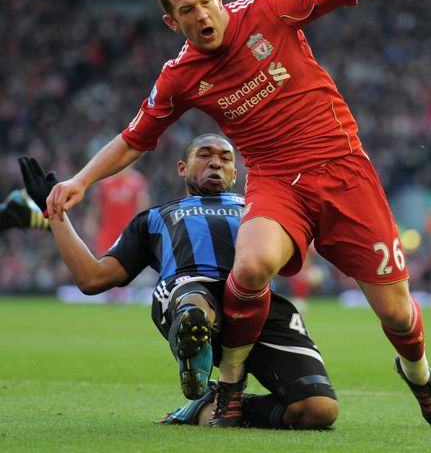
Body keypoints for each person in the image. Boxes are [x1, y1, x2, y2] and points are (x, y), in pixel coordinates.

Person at [46, 0, 431, 428]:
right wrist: (81, 180)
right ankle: (230, 384)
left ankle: (419, 375)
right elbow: (133, 138)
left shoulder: (269, 8)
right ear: (172, 22)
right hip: (277, 181)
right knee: (251, 267)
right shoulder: (179, 77)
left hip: (344, 170)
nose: (202, 15)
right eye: (187, 10)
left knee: (396, 313)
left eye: (205, 1)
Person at [21, 134, 338, 429]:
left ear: (235, 173)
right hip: (189, 291)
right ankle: (193, 335)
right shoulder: (153, 218)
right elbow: (92, 278)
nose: (216, 163)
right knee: (194, 305)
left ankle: (210, 407)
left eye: (225, 158)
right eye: (205, 155)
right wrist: (55, 212)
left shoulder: (261, 210)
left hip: (256, 305)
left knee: (319, 410)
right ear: (182, 168)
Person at [90, 165, 150, 254]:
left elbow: (142, 206)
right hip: (108, 230)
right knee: (104, 258)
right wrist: (92, 222)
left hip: (128, 231)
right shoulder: (105, 181)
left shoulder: (137, 181)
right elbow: (96, 205)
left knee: (128, 259)